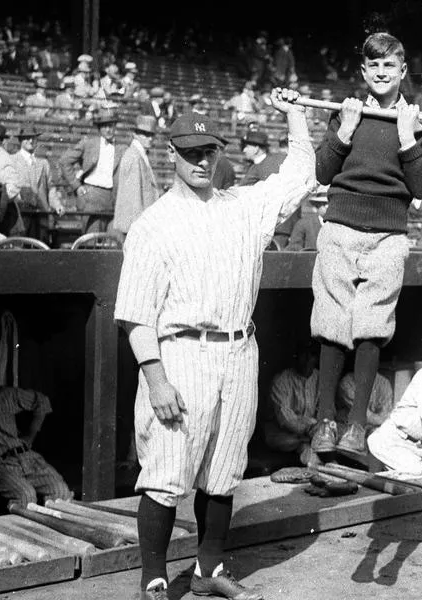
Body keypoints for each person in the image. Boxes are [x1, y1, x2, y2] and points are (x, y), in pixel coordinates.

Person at [114, 88, 315, 600]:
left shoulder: (242, 207)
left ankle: (208, 571)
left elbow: (299, 177)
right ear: (172, 155)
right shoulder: (152, 225)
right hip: (180, 353)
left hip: (238, 350)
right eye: (190, 152)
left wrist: (295, 117)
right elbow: (135, 317)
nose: (202, 161)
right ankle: (155, 579)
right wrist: (156, 380)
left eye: (209, 151)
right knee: (165, 471)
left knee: (224, 469)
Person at [309, 32, 422, 460]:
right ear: (365, 72)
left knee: (372, 323)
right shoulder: (346, 112)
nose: (382, 73)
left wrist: (406, 138)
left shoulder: (417, 123)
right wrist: (343, 131)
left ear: (402, 72)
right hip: (341, 225)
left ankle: (356, 425)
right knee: (332, 320)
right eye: (374, 66)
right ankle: (326, 419)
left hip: (388, 234)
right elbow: (324, 172)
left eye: (390, 66)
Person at [0, 375, 73, 508]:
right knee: (26, 496)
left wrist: (30, 435)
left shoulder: (6, 395)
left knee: (60, 492)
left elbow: (42, 401)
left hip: (26, 457)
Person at [58, 107, 124, 233]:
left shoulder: (122, 147)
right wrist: (76, 186)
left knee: (113, 242)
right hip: (92, 195)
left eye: (111, 125)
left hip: (113, 197)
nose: (108, 129)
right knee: (91, 240)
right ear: (99, 128)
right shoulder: (89, 144)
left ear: (115, 126)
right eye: (104, 126)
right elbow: (64, 161)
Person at [264, 341, 320, 466]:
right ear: (296, 357)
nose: (306, 360)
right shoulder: (281, 380)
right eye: (303, 355)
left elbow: (323, 412)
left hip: (311, 435)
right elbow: (286, 420)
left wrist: (315, 428)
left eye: (311, 355)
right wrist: (311, 428)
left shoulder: (320, 379)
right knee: (295, 442)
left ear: (316, 358)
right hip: (282, 434)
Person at [11, 124, 62, 240]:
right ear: (20, 141)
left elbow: (51, 188)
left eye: (33, 138)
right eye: (26, 138)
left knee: (39, 249)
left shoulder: (43, 163)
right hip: (20, 214)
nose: (30, 141)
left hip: (40, 215)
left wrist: (57, 204)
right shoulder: (12, 160)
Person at [112, 115, 161, 237]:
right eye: (145, 134)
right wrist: (139, 229)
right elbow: (133, 199)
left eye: (151, 135)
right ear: (135, 134)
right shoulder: (134, 157)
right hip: (137, 228)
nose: (149, 138)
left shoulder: (139, 154)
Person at [285, 186, 327, 251]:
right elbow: (294, 247)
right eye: (324, 204)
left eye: (331, 203)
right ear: (317, 205)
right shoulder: (304, 223)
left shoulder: (338, 226)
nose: (328, 206)